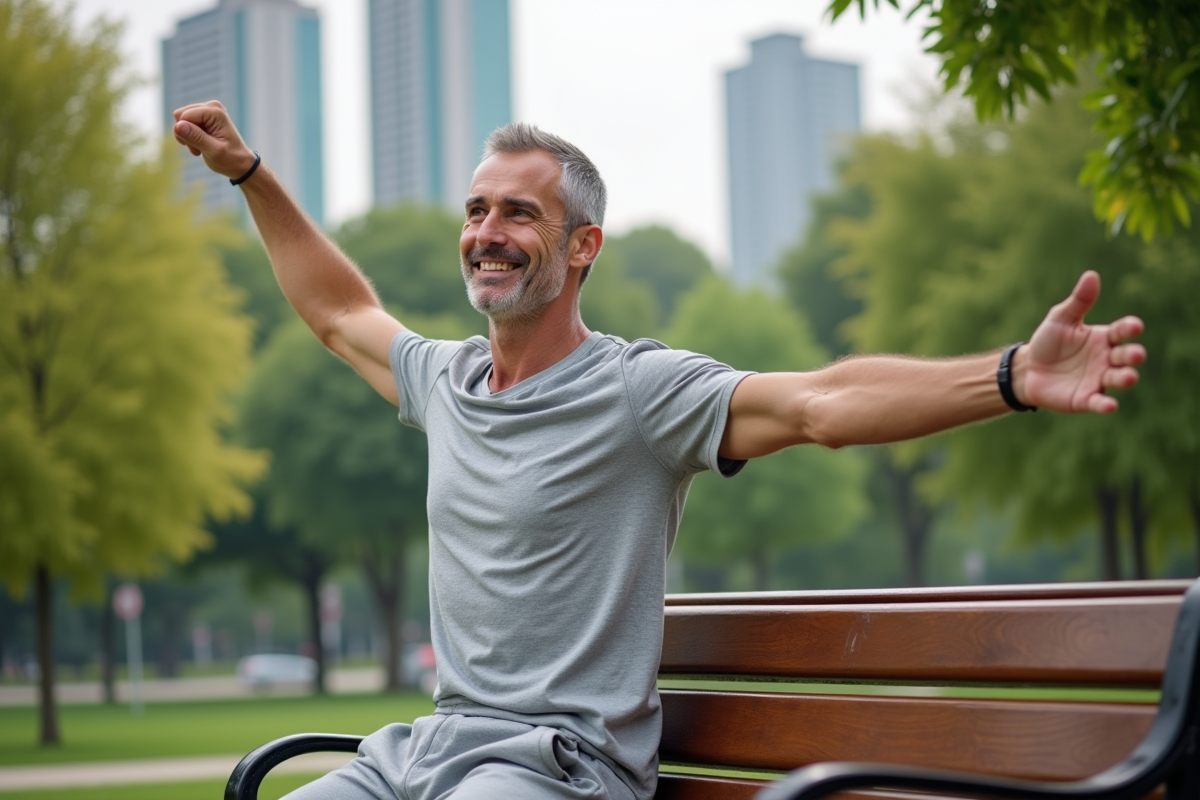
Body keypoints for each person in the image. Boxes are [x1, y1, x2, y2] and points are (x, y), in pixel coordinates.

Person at [172, 100, 1146, 800]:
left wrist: (1011, 373)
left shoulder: (639, 392)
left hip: (555, 766)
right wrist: (250, 175)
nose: (488, 233)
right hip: (424, 749)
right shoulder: (447, 381)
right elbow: (342, 311)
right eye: (477, 211)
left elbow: (819, 403)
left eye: (520, 213)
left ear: (583, 245)